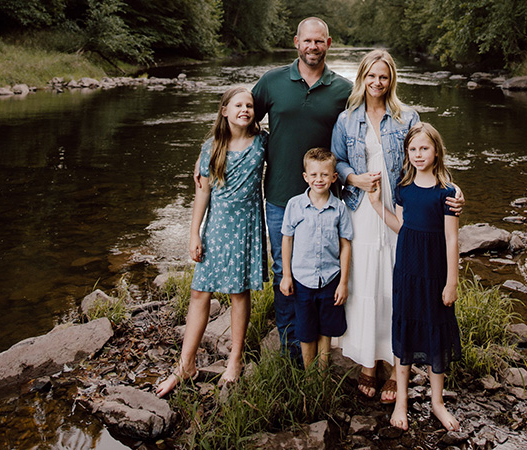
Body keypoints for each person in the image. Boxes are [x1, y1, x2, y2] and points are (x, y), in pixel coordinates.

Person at [196, 17, 352, 361]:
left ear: (328, 44)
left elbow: (357, 135)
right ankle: (291, 349)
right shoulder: (272, 82)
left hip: (325, 198)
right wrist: (208, 156)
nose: (313, 47)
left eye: (320, 41)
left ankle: (319, 344)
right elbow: (240, 118)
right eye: (307, 40)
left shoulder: (343, 90)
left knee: (324, 270)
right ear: (296, 42)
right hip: (281, 196)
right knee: (286, 272)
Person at [330, 49, 463, 404]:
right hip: (363, 205)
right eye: (371, 76)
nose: (377, 82)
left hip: (398, 205)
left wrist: (454, 189)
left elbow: (428, 157)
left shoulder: (407, 117)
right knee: (365, 281)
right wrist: (353, 178)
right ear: (362, 78)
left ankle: (394, 361)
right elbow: (337, 161)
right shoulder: (346, 119)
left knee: (397, 282)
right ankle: (368, 363)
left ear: (392, 80)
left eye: (383, 77)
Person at [157, 86, 268, 397]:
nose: (244, 110)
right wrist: (194, 233)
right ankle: (186, 364)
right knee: (199, 291)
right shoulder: (211, 148)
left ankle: (235, 359)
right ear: (224, 111)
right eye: (238, 105)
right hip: (217, 227)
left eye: (249, 105)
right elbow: (202, 192)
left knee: (238, 292)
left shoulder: (262, 143)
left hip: (246, 226)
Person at [368, 122, 462, 431]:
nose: (418, 154)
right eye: (413, 149)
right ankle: (401, 401)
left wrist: (451, 282)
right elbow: (401, 226)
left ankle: (437, 402)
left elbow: (451, 239)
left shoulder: (446, 192)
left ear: (436, 152)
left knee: (436, 330)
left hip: (435, 272)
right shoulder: (404, 188)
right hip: (408, 270)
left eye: (424, 148)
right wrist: (376, 206)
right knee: (405, 330)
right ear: (407, 154)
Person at [280, 148, 353, 369]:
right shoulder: (295, 205)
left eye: (324, 175)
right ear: (306, 177)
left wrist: (343, 283)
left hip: (330, 279)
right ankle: (309, 373)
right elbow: (287, 240)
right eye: (313, 175)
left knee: (326, 329)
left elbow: (345, 245)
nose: (318, 179)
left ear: (333, 178)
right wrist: (286, 275)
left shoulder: (339, 209)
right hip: (303, 280)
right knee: (305, 329)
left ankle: (321, 375)